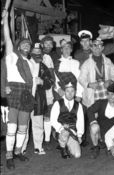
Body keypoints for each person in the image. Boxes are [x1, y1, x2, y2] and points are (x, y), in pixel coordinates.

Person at [3, 9, 34, 169]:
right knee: (12, 127)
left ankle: (18, 152)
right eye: (24, 44)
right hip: (14, 92)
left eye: (28, 44)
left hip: (26, 94)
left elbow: (32, 82)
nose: (27, 46)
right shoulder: (12, 56)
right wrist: (6, 19)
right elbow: (7, 38)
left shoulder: (30, 62)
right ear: (18, 46)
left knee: (23, 127)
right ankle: (8, 155)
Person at [21, 43, 54, 155]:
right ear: (31, 53)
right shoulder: (24, 64)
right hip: (25, 99)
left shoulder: (43, 67)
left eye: (39, 52)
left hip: (38, 100)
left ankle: (38, 146)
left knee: (38, 124)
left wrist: (42, 82)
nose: (37, 54)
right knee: (23, 124)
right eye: (34, 52)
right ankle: (22, 147)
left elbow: (50, 83)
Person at [87, 83, 114, 158]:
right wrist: (93, 121)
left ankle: (109, 146)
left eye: (112, 94)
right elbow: (89, 110)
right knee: (94, 127)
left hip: (113, 134)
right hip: (101, 132)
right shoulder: (101, 103)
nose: (109, 97)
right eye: (108, 94)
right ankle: (96, 147)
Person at [79, 38, 114, 107]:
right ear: (91, 48)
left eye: (99, 46)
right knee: (94, 113)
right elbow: (81, 79)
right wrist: (89, 85)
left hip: (107, 89)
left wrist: (110, 81)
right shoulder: (86, 63)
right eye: (95, 45)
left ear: (102, 48)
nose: (97, 47)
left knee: (107, 110)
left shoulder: (108, 61)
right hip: (93, 90)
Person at [50, 81, 84, 159]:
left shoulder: (78, 105)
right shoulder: (58, 103)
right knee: (65, 133)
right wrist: (61, 128)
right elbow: (53, 120)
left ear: (75, 92)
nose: (70, 93)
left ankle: (66, 143)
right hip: (59, 130)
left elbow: (80, 121)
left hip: (72, 131)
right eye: (67, 91)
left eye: (72, 91)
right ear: (64, 91)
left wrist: (79, 135)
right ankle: (63, 148)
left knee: (77, 155)